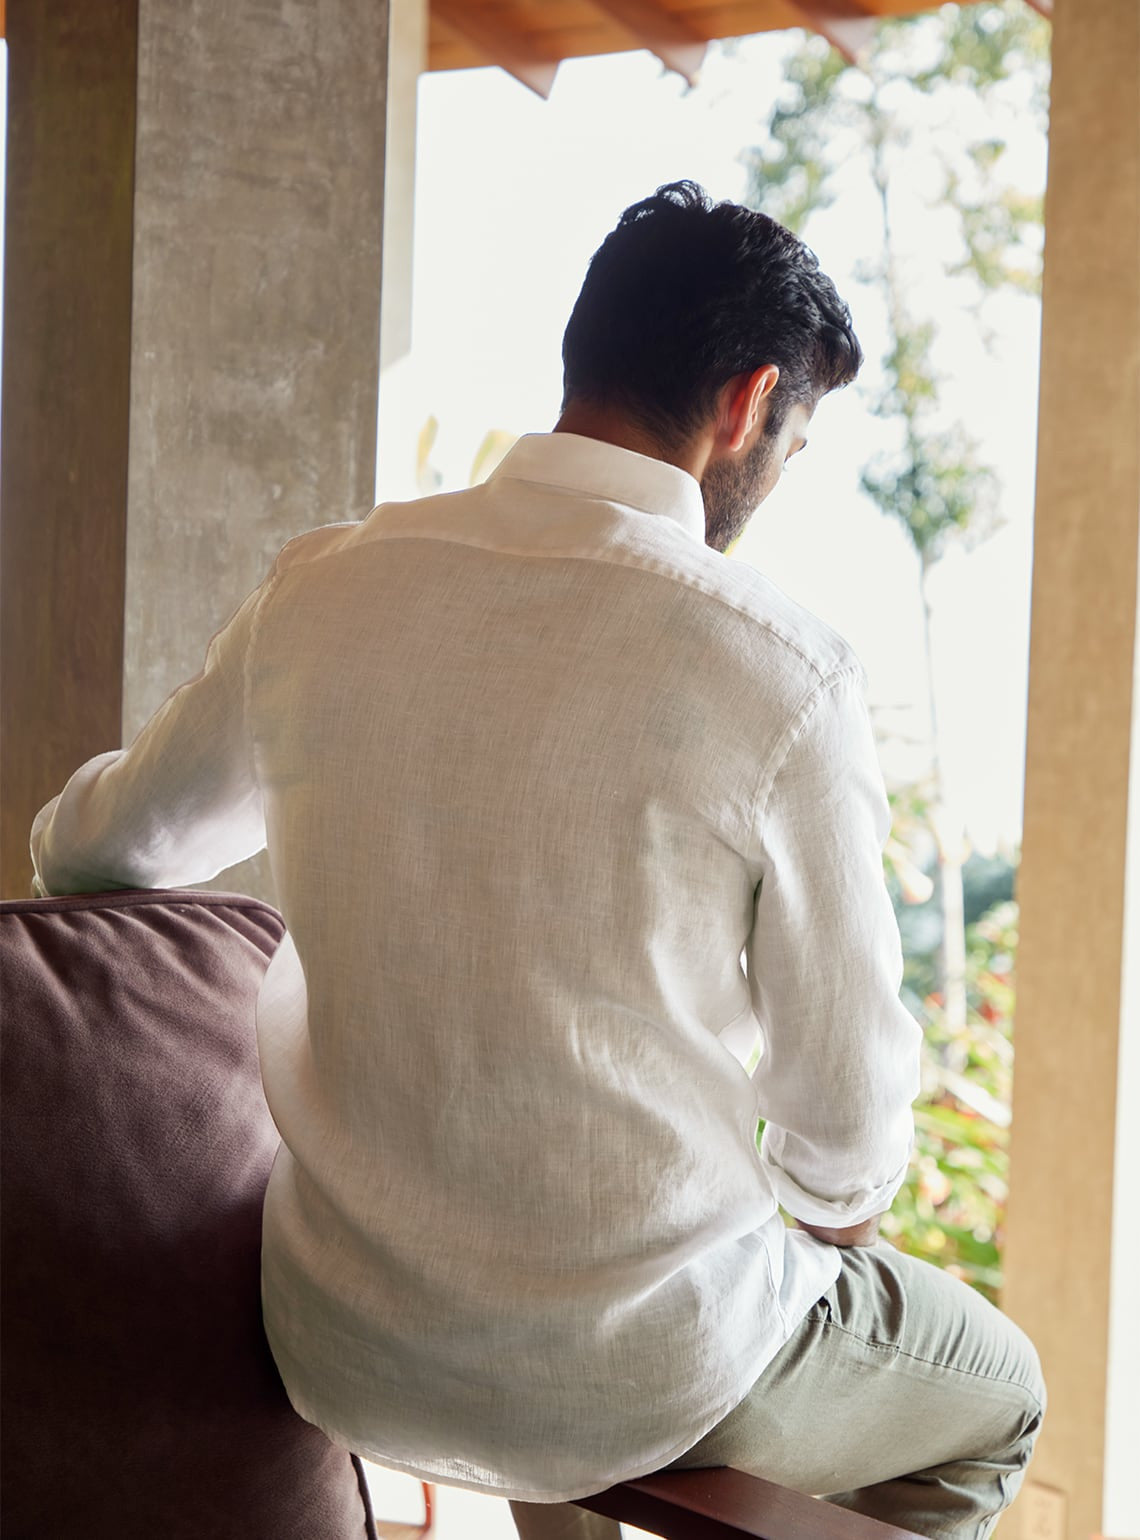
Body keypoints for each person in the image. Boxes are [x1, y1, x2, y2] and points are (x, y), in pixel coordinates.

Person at [31, 181, 1043, 1540]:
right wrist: (829, 1222)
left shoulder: (325, 587)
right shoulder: (779, 668)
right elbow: (844, 1132)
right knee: (1002, 1399)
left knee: (585, 1348)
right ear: (749, 404)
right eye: (792, 445)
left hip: (346, 1339)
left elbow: (94, 852)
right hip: (642, 1368)